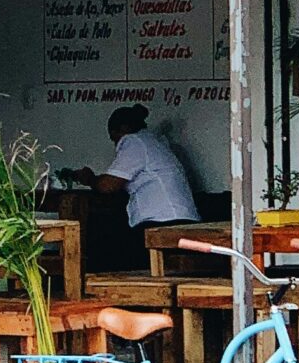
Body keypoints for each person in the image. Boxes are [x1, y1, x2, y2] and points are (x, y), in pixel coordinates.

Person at [63, 105, 201, 252]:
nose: (116, 145)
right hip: (183, 221)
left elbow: (108, 185)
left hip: (164, 222)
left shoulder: (135, 141)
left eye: (115, 139)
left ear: (122, 130)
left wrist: (90, 179)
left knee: (106, 248)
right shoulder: (155, 142)